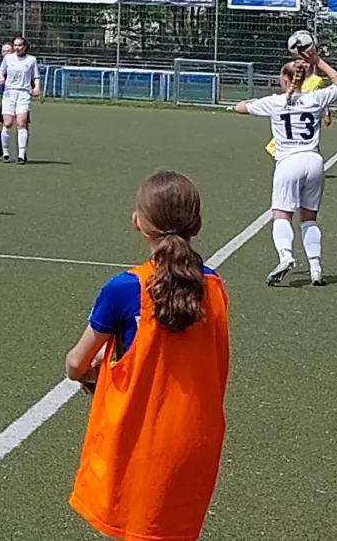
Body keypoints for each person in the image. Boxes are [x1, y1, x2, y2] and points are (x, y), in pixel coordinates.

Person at [66, 170, 229, 541]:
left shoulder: (126, 288)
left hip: (140, 441)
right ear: (195, 224)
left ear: (138, 222)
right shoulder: (214, 286)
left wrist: (94, 375)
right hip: (195, 438)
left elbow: (76, 363)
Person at [232, 53, 337, 286]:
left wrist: (239, 105)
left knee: (281, 214)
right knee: (309, 218)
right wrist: (318, 60)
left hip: (288, 162)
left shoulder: (274, 102)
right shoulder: (316, 98)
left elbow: (241, 108)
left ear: (283, 79)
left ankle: (285, 256)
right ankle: (315, 267)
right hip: (314, 162)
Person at [0, 36, 40, 165]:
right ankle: (6, 153)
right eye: (15, 45)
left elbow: (35, 76)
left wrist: (37, 87)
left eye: (20, 45)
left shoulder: (31, 60)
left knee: (21, 123)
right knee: (7, 124)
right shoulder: (8, 59)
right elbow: (0, 72)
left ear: (25, 46)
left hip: (23, 94)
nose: (17, 48)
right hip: (9, 94)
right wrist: (1, 77)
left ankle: (21, 155)